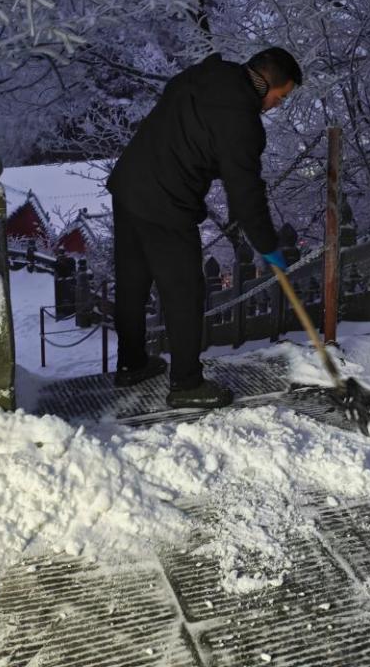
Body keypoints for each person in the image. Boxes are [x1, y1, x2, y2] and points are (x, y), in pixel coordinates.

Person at [107, 47, 301, 408]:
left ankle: (131, 364)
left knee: (132, 283)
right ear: (267, 83)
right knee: (185, 291)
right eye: (282, 95)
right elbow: (245, 195)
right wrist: (268, 245)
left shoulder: (207, 73)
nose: (278, 104)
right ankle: (186, 385)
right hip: (166, 202)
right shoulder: (242, 122)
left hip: (129, 183)